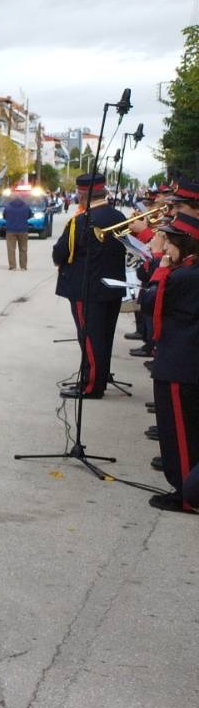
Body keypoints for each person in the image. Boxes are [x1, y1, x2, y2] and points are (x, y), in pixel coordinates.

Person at [53, 174, 126, 399]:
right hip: (112, 287)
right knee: (104, 336)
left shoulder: (81, 220)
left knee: (90, 339)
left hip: (86, 289)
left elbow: (60, 253)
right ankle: (99, 378)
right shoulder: (119, 216)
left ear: (82, 194)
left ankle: (92, 386)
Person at [146, 212, 199, 514]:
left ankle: (187, 494)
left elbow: (151, 300)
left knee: (180, 432)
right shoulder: (188, 271)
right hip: (184, 359)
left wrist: (160, 267)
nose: (165, 247)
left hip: (181, 362)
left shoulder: (184, 275)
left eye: (170, 242)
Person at [2, 193, 32, 271]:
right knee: (23, 249)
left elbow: (4, 216)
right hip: (23, 230)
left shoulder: (8, 207)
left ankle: (12, 266)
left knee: (11, 249)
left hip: (10, 230)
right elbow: (30, 215)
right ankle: (23, 266)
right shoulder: (26, 206)